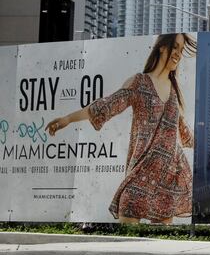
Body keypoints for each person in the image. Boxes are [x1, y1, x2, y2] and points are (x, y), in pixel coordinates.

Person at [46, 33, 196, 224]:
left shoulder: (174, 94)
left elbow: (186, 134)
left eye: (181, 50)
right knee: (128, 232)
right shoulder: (139, 83)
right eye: (175, 47)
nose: (178, 54)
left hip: (169, 178)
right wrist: (68, 118)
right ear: (162, 47)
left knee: (160, 245)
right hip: (140, 175)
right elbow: (106, 105)